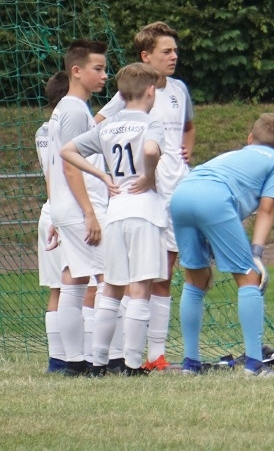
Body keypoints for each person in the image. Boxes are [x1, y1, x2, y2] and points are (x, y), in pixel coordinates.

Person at [95, 21, 196, 371]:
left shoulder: (179, 90)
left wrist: (185, 150)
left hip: (176, 191)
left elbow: (187, 128)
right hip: (143, 195)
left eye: (175, 50)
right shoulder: (134, 93)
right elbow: (99, 124)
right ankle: (126, 352)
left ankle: (156, 354)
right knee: (136, 276)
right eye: (166, 51)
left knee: (164, 274)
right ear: (146, 56)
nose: (174, 56)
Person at [61, 63, 166, 376]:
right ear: (150, 92)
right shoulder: (151, 122)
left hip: (115, 210)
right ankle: (132, 363)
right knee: (140, 289)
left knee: (111, 289)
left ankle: (98, 362)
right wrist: (148, 175)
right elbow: (150, 150)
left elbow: (68, 150)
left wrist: (102, 175)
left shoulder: (108, 126)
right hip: (143, 211)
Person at [172, 113, 274, 376]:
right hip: (215, 198)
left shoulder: (233, 155)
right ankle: (254, 364)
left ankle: (190, 363)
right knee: (250, 278)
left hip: (181, 194)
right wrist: (256, 252)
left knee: (195, 280)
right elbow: (267, 209)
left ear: (250, 139)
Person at [47, 40, 110, 376]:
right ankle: (110, 359)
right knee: (111, 278)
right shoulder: (73, 110)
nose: (104, 75)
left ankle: (74, 361)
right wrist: (88, 212)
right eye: (97, 69)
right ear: (76, 71)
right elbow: (69, 166)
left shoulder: (70, 108)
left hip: (66, 208)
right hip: (79, 208)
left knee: (74, 279)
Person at [36, 72, 71, 372]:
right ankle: (87, 356)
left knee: (57, 290)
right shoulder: (72, 127)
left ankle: (57, 360)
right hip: (68, 212)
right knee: (85, 287)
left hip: (49, 211)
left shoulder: (42, 130)